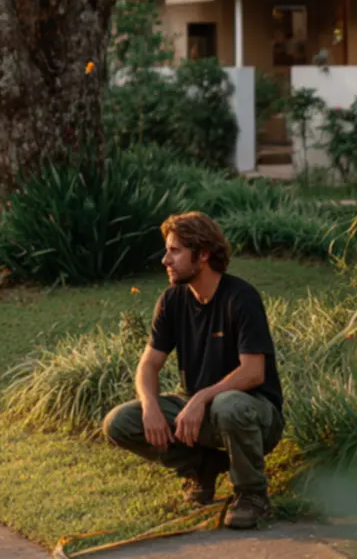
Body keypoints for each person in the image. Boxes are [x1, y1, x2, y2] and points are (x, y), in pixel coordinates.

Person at [102, 211, 284, 531]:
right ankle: (201, 468)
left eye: (175, 251)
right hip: (201, 414)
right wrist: (150, 406)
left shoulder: (241, 298)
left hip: (254, 414)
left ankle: (253, 496)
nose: (165, 260)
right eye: (167, 250)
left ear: (202, 255)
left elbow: (254, 372)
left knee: (227, 404)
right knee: (120, 422)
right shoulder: (172, 300)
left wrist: (200, 398)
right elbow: (149, 363)